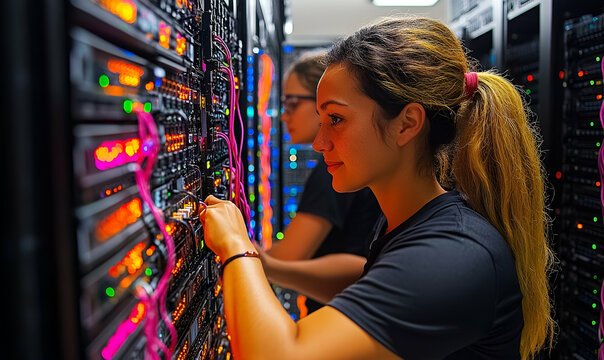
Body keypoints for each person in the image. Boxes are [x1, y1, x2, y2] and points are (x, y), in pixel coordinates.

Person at [200, 16, 555, 360]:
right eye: (322, 121)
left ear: (407, 124)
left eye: (336, 119)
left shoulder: (456, 252)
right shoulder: (411, 221)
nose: (320, 142)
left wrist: (236, 246)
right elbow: (366, 279)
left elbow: (275, 355)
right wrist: (267, 266)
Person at [263, 51, 381, 314]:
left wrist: (237, 251)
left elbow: (287, 257)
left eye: (292, 104)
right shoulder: (355, 165)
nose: (284, 116)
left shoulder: (334, 172)